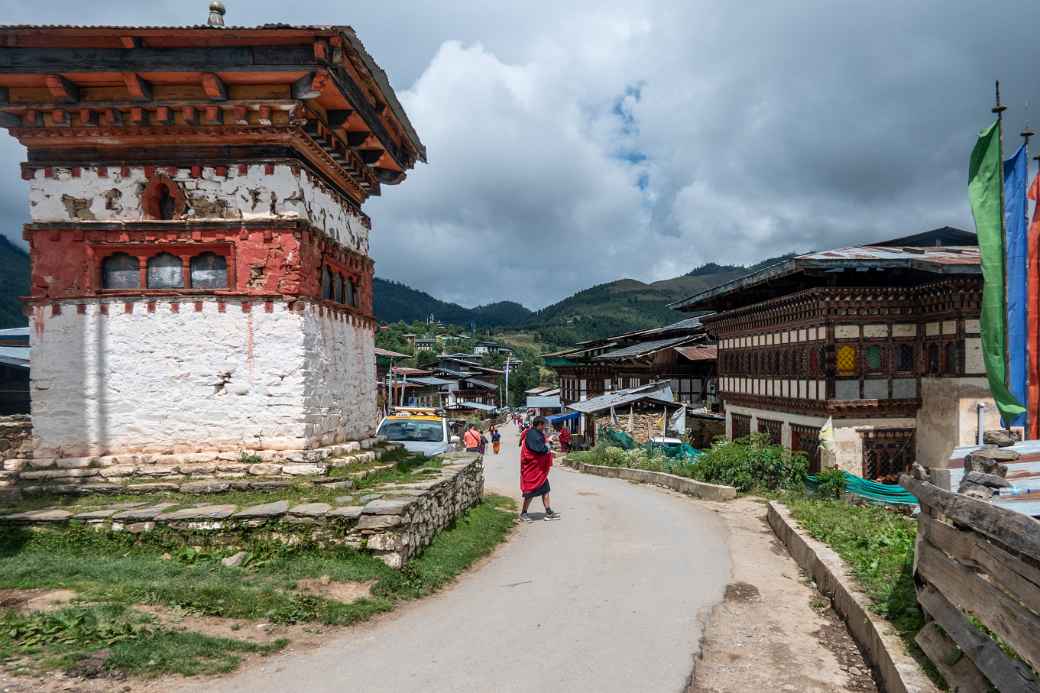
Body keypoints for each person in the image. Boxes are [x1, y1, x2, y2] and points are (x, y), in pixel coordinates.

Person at [519, 417, 560, 522]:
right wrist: (549, 444)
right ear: (539, 424)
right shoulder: (533, 435)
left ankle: (548, 512)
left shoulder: (535, 433)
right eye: (543, 425)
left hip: (539, 470)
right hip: (532, 470)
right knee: (529, 493)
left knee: (545, 490)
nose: (544, 427)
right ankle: (523, 513)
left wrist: (547, 441)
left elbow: (541, 445)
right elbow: (540, 449)